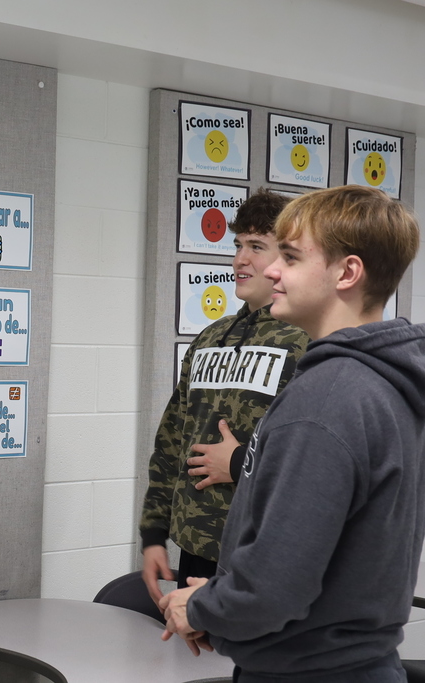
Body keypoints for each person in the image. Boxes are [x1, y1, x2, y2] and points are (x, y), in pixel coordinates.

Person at [161, 185, 425, 682]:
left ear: (347, 273)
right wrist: (219, 605)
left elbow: (274, 586)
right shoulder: (380, 384)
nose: (273, 271)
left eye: (291, 257)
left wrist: (199, 608)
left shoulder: (326, 400)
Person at [139, 189, 309, 605]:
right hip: (195, 545)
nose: (239, 260)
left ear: (288, 257)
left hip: (260, 551)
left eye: (256, 246)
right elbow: (172, 439)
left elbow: (308, 458)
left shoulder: (308, 341)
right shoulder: (209, 340)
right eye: (237, 246)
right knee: (191, 665)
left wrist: (237, 464)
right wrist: (154, 534)